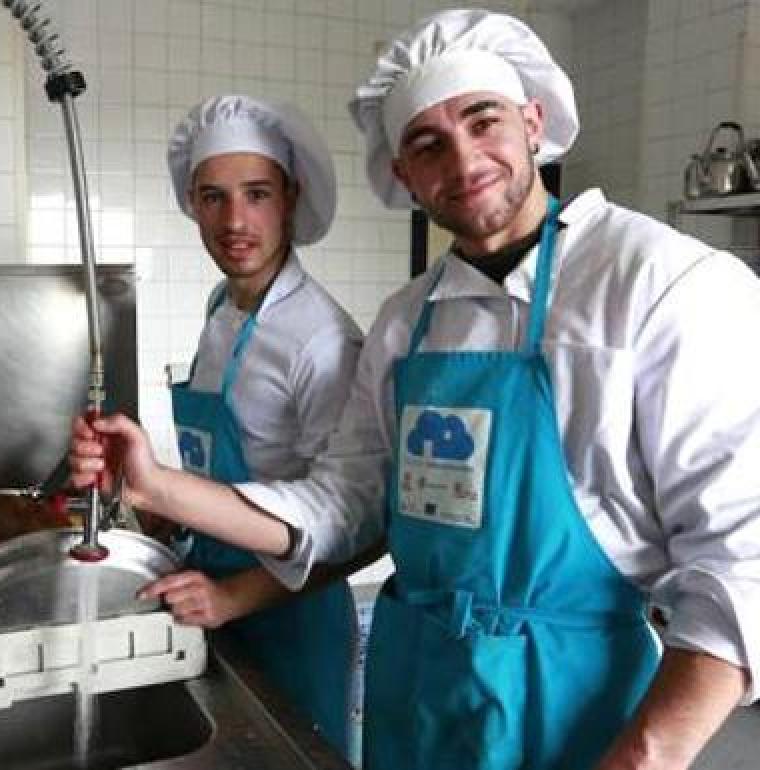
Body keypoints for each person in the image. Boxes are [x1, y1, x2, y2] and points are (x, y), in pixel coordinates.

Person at [71, 9, 760, 770]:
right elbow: (344, 505)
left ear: (533, 120)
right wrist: (156, 487)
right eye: (427, 144)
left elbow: (742, 562)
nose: (463, 161)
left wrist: (641, 759)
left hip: (581, 716)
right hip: (422, 701)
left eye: (482, 120)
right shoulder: (408, 323)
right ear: (402, 174)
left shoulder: (660, 284)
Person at [142, 94, 367, 759]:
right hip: (212, 591)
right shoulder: (223, 308)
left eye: (256, 194)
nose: (233, 221)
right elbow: (230, 467)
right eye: (213, 197)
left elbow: (356, 529)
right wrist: (173, 514)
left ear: (291, 198)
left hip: (288, 616)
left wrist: (234, 598)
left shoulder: (320, 341)